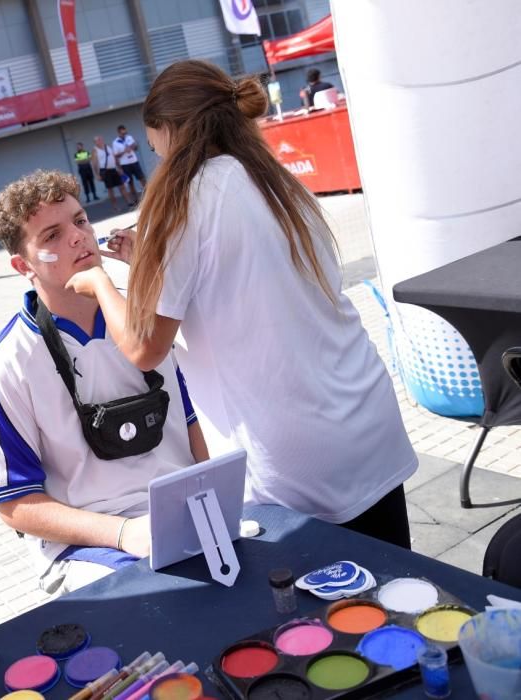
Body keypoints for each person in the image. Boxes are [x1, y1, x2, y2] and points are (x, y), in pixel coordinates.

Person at [66, 60, 418, 550]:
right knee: (399, 603)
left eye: (154, 147)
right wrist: (147, 260)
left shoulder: (181, 200)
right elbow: (237, 280)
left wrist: (101, 283)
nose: (157, 160)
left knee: (320, 615)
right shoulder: (272, 179)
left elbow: (145, 347)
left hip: (295, 453)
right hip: (364, 419)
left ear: (171, 131)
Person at [0, 169, 209, 595]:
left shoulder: (143, 321)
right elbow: (12, 504)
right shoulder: (8, 362)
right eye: (51, 236)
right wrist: (123, 533)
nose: (77, 237)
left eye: (80, 221)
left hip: (183, 516)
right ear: (22, 265)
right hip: (93, 548)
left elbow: (190, 424)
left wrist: (213, 498)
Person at [94, 135, 133, 212]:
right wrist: (97, 174)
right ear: (95, 142)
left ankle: (129, 202)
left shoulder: (107, 147)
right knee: (110, 190)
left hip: (113, 169)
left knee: (122, 186)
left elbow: (114, 157)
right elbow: (94, 163)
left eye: (100, 139)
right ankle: (115, 206)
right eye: (98, 140)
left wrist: (119, 168)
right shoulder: (95, 150)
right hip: (105, 171)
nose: (100, 141)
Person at [112, 125, 145, 200]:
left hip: (134, 161)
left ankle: (149, 195)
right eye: (123, 133)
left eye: (125, 132)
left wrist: (133, 147)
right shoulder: (115, 142)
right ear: (119, 133)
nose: (124, 134)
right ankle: (136, 199)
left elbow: (136, 148)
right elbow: (116, 155)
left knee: (142, 178)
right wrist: (124, 151)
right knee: (130, 182)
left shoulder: (129, 137)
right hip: (125, 164)